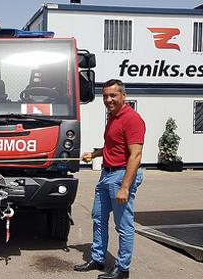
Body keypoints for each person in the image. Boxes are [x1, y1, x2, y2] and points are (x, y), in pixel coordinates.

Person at [74, 79, 145, 279]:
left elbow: (135, 155)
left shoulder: (132, 119)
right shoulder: (113, 117)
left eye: (113, 95)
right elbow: (113, 147)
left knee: (123, 225)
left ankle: (123, 269)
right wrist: (95, 154)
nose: (108, 99)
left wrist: (125, 187)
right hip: (107, 175)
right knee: (98, 217)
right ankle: (98, 259)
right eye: (105, 96)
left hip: (121, 176)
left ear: (124, 96)